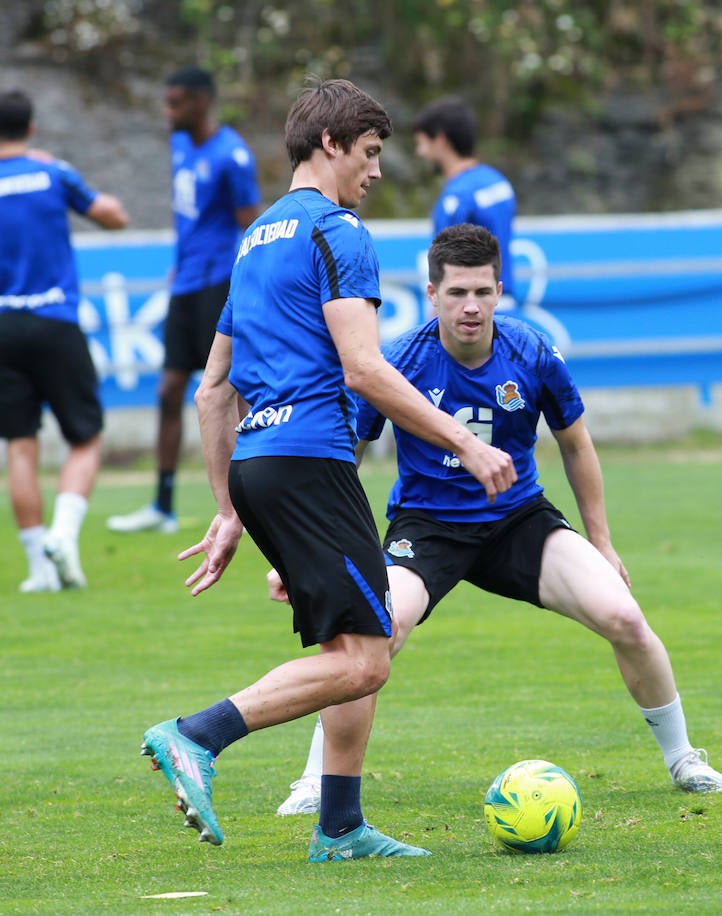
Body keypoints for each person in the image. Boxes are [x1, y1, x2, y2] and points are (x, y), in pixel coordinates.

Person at [139, 78, 517, 861]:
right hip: (310, 460)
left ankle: (340, 828)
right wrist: (468, 442)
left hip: (261, 465)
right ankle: (195, 735)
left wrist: (230, 507)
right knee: (368, 658)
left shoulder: (255, 240)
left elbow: (214, 392)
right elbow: (364, 370)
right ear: (332, 146)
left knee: (356, 634)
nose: (377, 171)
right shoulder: (338, 232)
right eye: (370, 153)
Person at [273, 223, 722, 816]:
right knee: (376, 632)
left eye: (484, 292)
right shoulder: (399, 363)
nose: (472, 306)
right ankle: (317, 778)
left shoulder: (533, 352)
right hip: (427, 527)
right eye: (458, 292)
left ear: (500, 290)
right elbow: (347, 460)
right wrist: (315, 555)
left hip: (518, 520)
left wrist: (602, 542)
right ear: (432, 292)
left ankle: (683, 759)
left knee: (623, 614)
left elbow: (576, 444)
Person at [108, 67, 261, 535]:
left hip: (218, 285)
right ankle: (163, 504)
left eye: (175, 103)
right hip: (184, 285)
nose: (167, 111)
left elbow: (249, 226)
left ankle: (251, 502)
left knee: (233, 393)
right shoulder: (179, 147)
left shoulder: (232, 155)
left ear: (201, 103)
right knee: (170, 389)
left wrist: (248, 287)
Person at [0, 89, 128, 593]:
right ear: (31, 127)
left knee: (20, 446)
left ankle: (38, 569)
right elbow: (114, 215)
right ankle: (64, 535)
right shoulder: (53, 173)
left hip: (3, 327)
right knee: (85, 437)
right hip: (55, 320)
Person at [412, 97, 518, 310]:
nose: (420, 152)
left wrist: (435, 329)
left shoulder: (456, 199)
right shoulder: (498, 182)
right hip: (504, 303)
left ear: (440, 140)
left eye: (422, 143)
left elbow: (446, 270)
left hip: (471, 311)